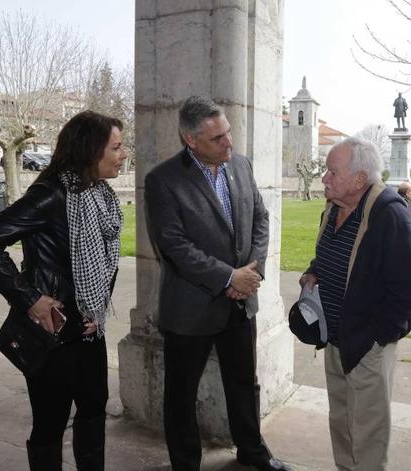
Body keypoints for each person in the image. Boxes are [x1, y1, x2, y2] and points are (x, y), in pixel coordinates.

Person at [144, 96, 291, 471]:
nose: (229, 143)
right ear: (190, 140)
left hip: (240, 304)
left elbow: (260, 217)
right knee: (181, 395)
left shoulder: (240, 165)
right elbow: (174, 246)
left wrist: (250, 274)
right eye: (217, 139)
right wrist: (228, 277)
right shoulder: (163, 180)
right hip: (191, 309)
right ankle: (185, 464)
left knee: (245, 384)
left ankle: (253, 452)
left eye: (228, 133)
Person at [0, 110, 126, 470]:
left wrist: (97, 308)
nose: (123, 154)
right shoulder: (51, 194)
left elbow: (104, 261)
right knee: (50, 423)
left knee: (94, 411)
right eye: (117, 147)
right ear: (91, 150)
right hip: (53, 330)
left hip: (89, 327)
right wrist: (29, 299)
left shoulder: (103, 197)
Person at [299, 137, 411, 471]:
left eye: (332, 171)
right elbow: (331, 254)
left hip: (368, 344)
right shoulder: (334, 208)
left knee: (368, 433)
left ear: (359, 179)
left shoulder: (390, 214)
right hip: (335, 339)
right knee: (340, 423)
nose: (324, 178)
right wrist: (315, 271)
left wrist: (378, 338)